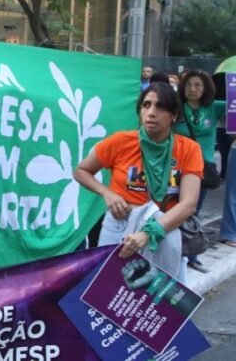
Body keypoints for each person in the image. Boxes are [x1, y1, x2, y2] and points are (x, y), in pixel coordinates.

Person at [74, 82, 202, 281]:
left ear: (174, 114)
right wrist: (107, 193)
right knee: (109, 294)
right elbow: (81, 171)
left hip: (165, 226)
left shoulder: (189, 149)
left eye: (160, 107)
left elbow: (189, 204)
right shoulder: (120, 142)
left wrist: (148, 234)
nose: (151, 113)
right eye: (146, 105)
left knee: (163, 303)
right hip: (119, 225)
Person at [173, 70, 225, 273]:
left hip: (202, 169)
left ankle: (191, 255)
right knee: (171, 209)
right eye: (188, 85)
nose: (193, 89)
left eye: (198, 85)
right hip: (176, 168)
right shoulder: (175, 108)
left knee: (193, 211)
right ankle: (172, 252)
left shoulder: (214, 108)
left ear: (206, 89)